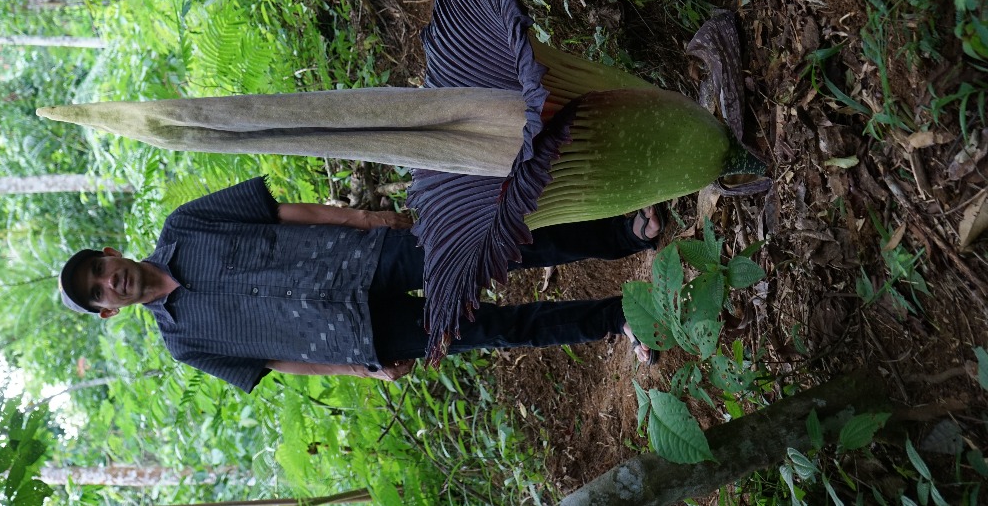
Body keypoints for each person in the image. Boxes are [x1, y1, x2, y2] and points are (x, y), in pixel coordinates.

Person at [57, 178, 663, 391]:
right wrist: (359, 371)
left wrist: (365, 218)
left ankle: (624, 233)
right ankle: (618, 318)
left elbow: (280, 214)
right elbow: (275, 362)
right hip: (360, 334)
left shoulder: (184, 225)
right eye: (100, 293)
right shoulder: (184, 344)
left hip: (363, 258)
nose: (110, 282)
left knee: (497, 250)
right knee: (495, 330)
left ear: (111, 253)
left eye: (100, 271)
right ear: (110, 311)